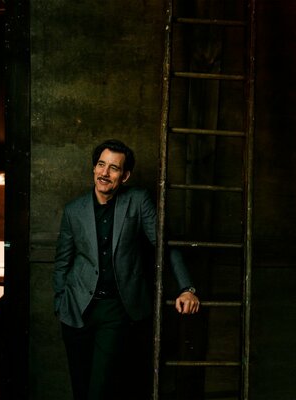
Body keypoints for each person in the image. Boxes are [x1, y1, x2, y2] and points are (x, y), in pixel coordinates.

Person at [53, 139, 200, 400]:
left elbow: (165, 244)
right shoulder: (74, 210)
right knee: (81, 390)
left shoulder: (138, 200)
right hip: (76, 310)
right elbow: (63, 261)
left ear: (125, 176)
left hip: (115, 310)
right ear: (94, 168)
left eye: (114, 168)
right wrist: (61, 302)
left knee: (100, 391)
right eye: (101, 165)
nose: (105, 173)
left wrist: (187, 288)